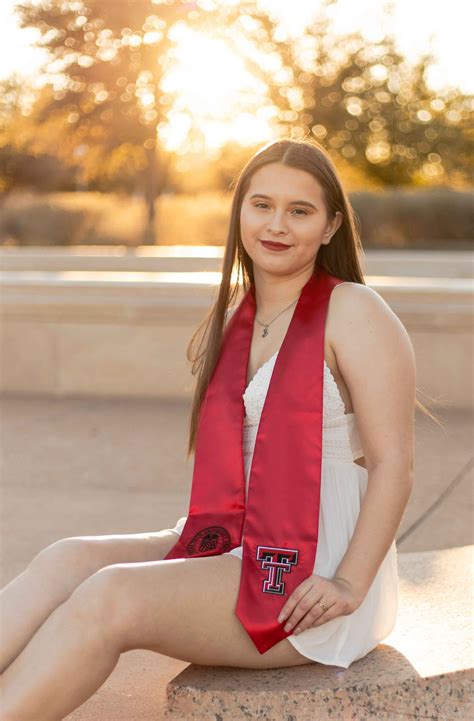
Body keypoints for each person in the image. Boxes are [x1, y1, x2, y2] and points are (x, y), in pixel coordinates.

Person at [0, 138, 418, 719]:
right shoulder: (238, 318)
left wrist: (349, 583)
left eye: (300, 211)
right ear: (239, 212)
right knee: (66, 559)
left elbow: (393, 464)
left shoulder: (355, 311)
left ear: (330, 227)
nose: (277, 224)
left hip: (315, 568)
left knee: (110, 596)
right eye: (262, 205)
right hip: (238, 539)